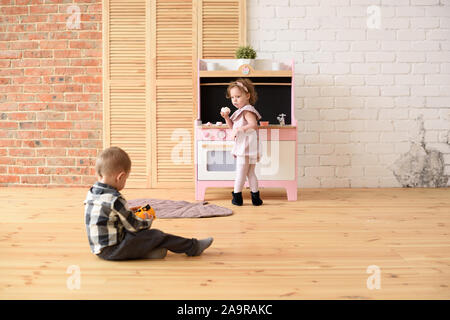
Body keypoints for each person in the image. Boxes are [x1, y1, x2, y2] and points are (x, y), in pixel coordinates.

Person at [84, 146, 213, 261]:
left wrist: (130, 212)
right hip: (113, 250)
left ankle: (151, 253)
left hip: (98, 249)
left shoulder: (92, 193)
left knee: (146, 239)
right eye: (126, 179)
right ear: (120, 177)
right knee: (156, 235)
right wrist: (147, 218)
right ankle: (193, 247)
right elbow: (135, 227)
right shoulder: (115, 199)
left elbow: (111, 217)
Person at [220, 78, 263, 206]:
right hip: (249, 148)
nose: (234, 100)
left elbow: (253, 125)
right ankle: (256, 198)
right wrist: (227, 117)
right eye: (232, 97)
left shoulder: (247, 110)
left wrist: (240, 129)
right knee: (250, 173)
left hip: (246, 148)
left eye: (238, 96)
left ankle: (237, 197)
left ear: (248, 96)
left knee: (240, 172)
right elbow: (232, 127)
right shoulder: (240, 111)